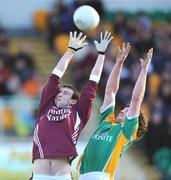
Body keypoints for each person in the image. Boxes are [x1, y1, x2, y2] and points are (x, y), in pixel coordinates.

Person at [31, 30, 113, 180]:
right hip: (38, 174)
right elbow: (56, 75)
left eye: (66, 93)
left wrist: (101, 54)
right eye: (60, 92)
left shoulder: (78, 112)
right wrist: (71, 51)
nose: (61, 94)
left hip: (62, 175)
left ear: (73, 101)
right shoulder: (46, 105)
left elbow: (93, 82)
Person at [77, 43, 153, 180]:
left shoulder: (127, 132)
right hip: (82, 176)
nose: (123, 111)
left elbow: (136, 99)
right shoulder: (107, 121)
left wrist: (144, 70)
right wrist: (118, 63)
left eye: (128, 111)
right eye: (124, 108)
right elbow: (110, 92)